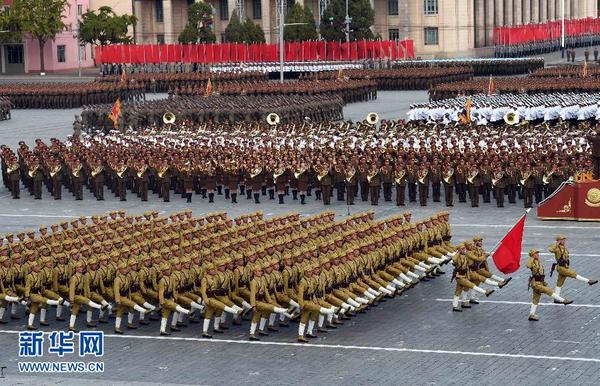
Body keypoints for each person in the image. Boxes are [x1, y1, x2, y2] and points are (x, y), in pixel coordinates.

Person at [526, 249, 572, 321]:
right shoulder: (532, 262)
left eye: (537, 253)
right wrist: (531, 258)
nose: (538, 254)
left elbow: (540, 273)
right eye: (536, 253)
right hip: (535, 284)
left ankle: (531, 315)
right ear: (532, 255)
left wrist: (543, 282)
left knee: (536, 299)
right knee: (548, 290)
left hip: (540, 282)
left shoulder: (538, 262)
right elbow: (528, 265)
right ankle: (563, 300)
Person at [549, 235, 597, 300]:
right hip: (561, 268)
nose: (564, 241)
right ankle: (588, 281)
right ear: (559, 241)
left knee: (559, 283)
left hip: (565, 266)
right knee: (573, 274)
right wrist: (556, 244)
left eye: (564, 240)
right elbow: (550, 250)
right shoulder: (557, 247)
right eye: (562, 240)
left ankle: (556, 299)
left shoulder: (564, 247)